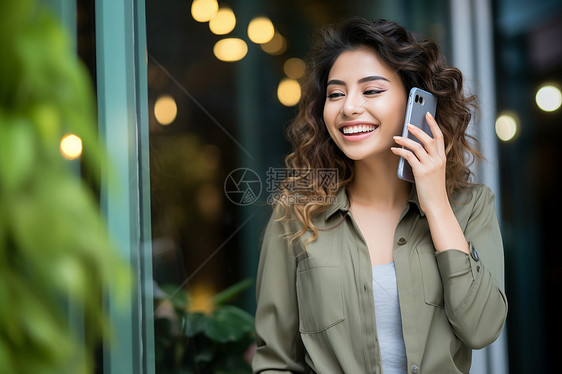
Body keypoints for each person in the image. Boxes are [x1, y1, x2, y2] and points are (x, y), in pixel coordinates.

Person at [252, 17, 507, 374]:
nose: (349, 108)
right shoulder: (297, 214)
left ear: (418, 104)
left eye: (371, 91)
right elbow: (275, 361)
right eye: (336, 93)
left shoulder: (471, 207)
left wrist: (435, 204)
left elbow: (481, 329)